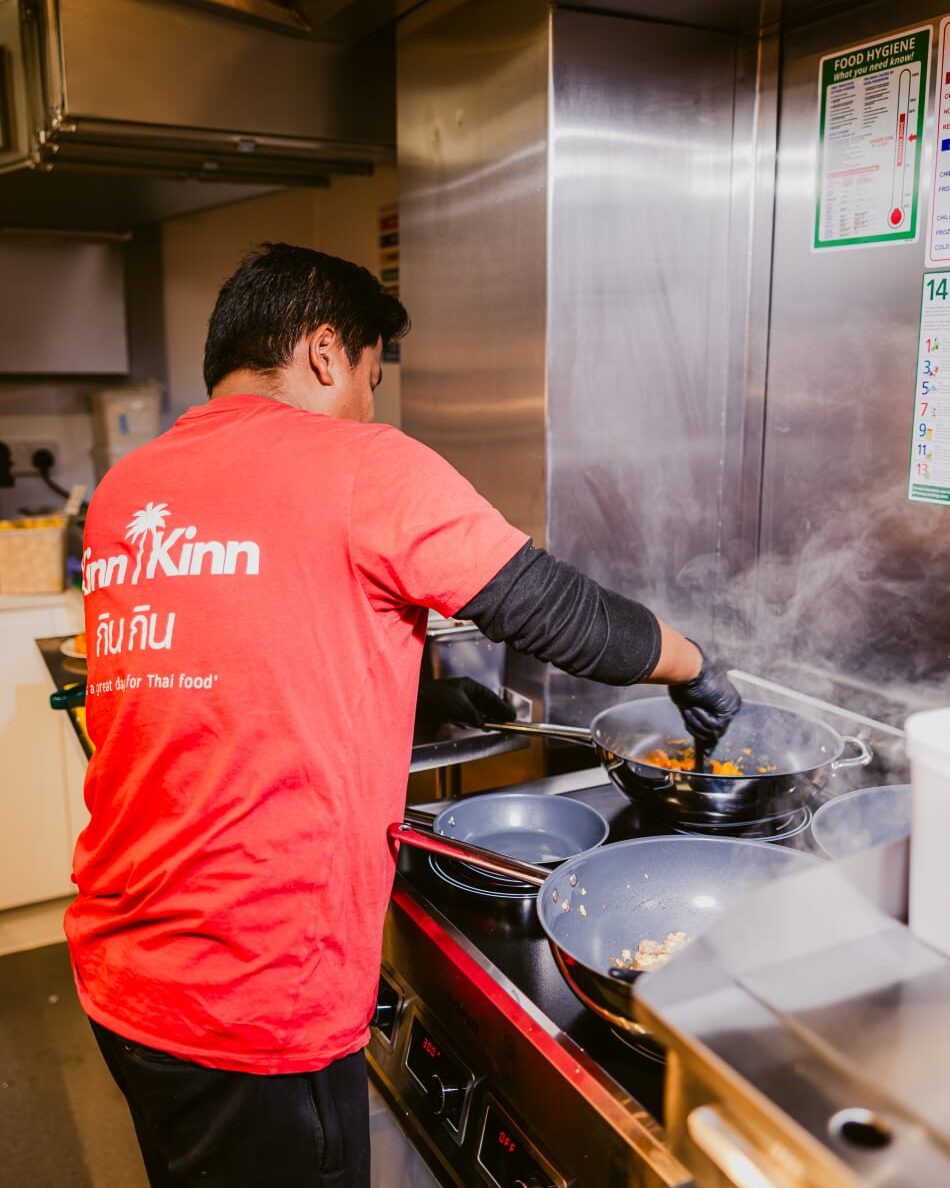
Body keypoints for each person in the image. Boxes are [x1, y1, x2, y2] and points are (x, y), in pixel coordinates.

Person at [68, 242, 740, 1188]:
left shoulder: (128, 491)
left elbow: (220, 665)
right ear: (325, 351)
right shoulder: (359, 464)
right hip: (256, 993)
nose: (368, 407)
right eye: (371, 380)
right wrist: (695, 665)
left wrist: (420, 691)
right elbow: (553, 611)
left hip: (124, 964)